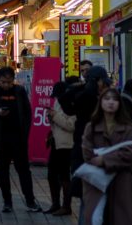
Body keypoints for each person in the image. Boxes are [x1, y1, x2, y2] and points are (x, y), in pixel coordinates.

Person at [0, 66, 41, 214]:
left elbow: (28, 113)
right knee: (2, 171)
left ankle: (30, 201)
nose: (6, 85)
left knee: (24, 171)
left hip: (18, 139)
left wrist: (25, 132)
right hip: (0, 139)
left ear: (13, 80)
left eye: (9, 82)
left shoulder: (20, 91)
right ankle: (7, 202)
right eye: (3, 82)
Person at [80, 89, 132, 225]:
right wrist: (109, 158)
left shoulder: (128, 128)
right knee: (95, 217)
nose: (111, 102)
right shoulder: (91, 127)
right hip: (97, 179)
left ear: (119, 103)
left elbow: (129, 153)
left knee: (120, 217)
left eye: (114, 99)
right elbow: (87, 152)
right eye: (107, 99)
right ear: (100, 102)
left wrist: (103, 159)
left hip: (121, 179)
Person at [48, 80, 77, 216]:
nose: (57, 98)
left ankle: (66, 206)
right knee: (52, 174)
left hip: (66, 145)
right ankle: (55, 204)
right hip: (56, 143)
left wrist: (55, 116)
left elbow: (71, 125)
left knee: (64, 175)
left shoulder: (72, 103)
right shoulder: (58, 101)